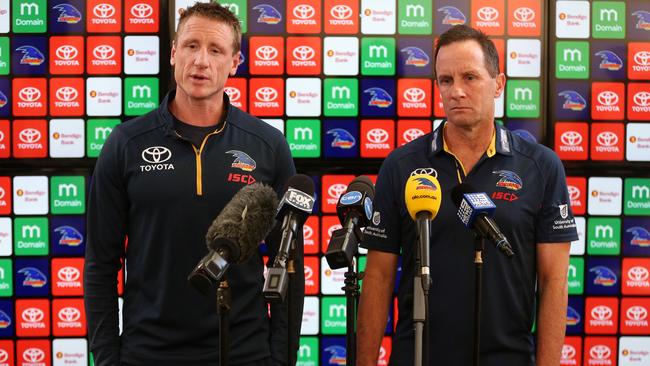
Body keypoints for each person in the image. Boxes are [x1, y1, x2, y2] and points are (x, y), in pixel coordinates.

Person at [84, 3, 303, 365]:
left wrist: (280, 358)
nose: (201, 60)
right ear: (173, 53)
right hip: (148, 353)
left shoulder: (267, 146)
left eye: (215, 50)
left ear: (235, 63)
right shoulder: (126, 144)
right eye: (190, 46)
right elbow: (100, 265)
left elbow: (289, 264)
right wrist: (108, 358)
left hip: (244, 353)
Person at [357, 25, 577, 366]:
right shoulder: (401, 166)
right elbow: (378, 277)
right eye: (445, 80)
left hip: (509, 358)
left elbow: (554, 281)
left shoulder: (542, 167)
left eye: (470, 77)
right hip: (419, 357)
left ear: (498, 84)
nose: (456, 91)